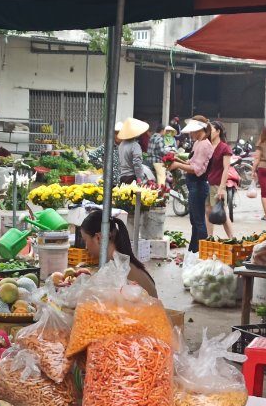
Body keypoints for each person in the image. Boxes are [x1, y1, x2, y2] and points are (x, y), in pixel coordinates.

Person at [79, 209, 157, 298]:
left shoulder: (118, 271)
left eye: (85, 240)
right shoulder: (124, 264)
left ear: (98, 238)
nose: (85, 247)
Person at [168, 116, 213, 252]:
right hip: (193, 186)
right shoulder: (198, 142)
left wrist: (178, 165)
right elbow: (191, 163)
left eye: (192, 131)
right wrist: (178, 161)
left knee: (199, 221)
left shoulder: (205, 144)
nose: (191, 134)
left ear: (200, 129)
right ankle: (193, 250)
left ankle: (202, 253)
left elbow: (197, 170)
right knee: (194, 220)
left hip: (198, 186)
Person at [206, 120, 235, 239]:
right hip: (206, 183)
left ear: (218, 132)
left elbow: (226, 169)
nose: (208, 133)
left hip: (218, 184)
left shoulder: (224, 148)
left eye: (210, 130)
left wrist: (222, 188)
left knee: (222, 214)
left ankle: (233, 239)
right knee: (208, 211)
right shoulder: (207, 145)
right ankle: (210, 237)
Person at [116, 117, 149, 183]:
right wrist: (140, 178)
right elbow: (137, 163)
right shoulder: (135, 145)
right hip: (132, 177)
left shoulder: (121, 144)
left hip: (122, 177)